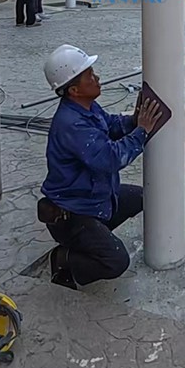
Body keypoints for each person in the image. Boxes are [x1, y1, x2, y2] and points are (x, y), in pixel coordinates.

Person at [39, 44, 162, 289]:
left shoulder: (86, 107)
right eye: (90, 76)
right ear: (74, 90)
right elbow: (111, 159)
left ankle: (93, 237)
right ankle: (65, 259)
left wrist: (134, 121)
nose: (97, 78)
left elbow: (111, 125)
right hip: (74, 213)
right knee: (116, 261)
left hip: (94, 199)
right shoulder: (72, 125)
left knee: (142, 197)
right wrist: (142, 131)